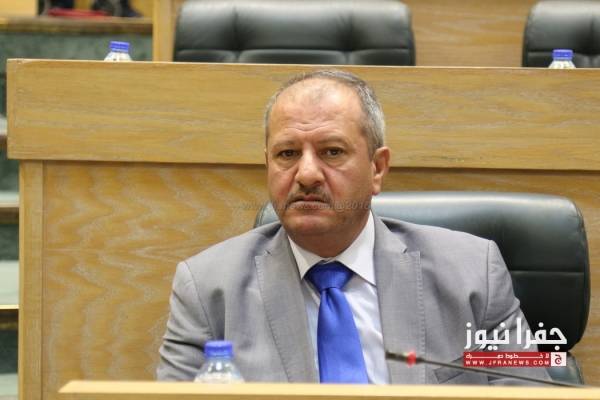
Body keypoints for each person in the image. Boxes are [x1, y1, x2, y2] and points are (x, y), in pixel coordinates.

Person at [157, 70, 550, 384]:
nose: (306, 174)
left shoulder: (472, 274)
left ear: (377, 169)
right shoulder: (208, 288)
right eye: (287, 153)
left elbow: (527, 394)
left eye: (332, 152)